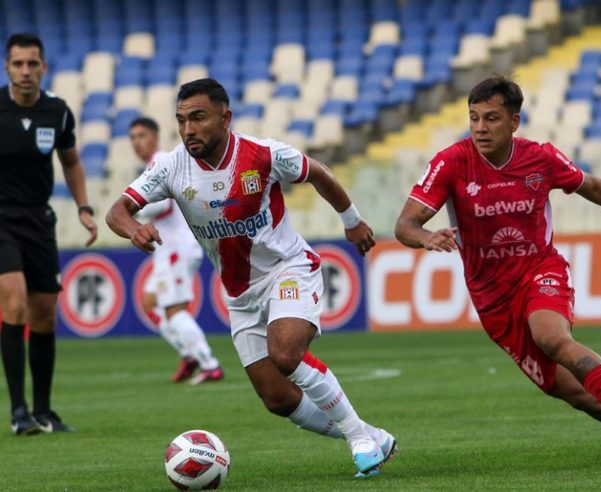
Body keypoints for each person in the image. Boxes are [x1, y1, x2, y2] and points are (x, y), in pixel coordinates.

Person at [107, 78, 397, 477]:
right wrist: (132, 228)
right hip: (240, 295)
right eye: (181, 120)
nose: (188, 129)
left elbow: (319, 173)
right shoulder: (171, 166)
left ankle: (359, 440)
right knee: (276, 398)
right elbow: (117, 211)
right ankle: (369, 434)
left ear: (225, 118)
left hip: (287, 269)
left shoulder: (262, 154)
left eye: (198, 118)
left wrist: (351, 221)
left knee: (286, 354)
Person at [395, 75, 601, 456]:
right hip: (493, 300)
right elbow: (405, 224)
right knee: (577, 395)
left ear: (514, 122)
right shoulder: (451, 162)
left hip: (541, 270)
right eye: (474, 118)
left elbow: (593, 186)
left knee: (552, 337)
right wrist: (426, 238)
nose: (480, 128)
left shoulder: (540, 157)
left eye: (490, 118)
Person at [0, 33, 98, 435]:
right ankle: (18, 411)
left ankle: (44, 411)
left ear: (43, 67)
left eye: (32, 63)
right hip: (1, 219)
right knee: (16, 303)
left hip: (39, 220)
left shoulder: (57, 112)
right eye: (18, 63)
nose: (25, 71)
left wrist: (84, 207)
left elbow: (71, 161)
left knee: (44, 316)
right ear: (7, 67)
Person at [128, 117, 223, 384]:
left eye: (142, 135)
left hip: (177, 247)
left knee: (174, 309)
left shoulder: (162, 163)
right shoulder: (151, 166)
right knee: (150, 303)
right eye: (133, 137)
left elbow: (163, 205)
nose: (137, 142)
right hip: (167, 249)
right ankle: (189, 353)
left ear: (155, 137)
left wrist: (132, 206)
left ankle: (209, 364)